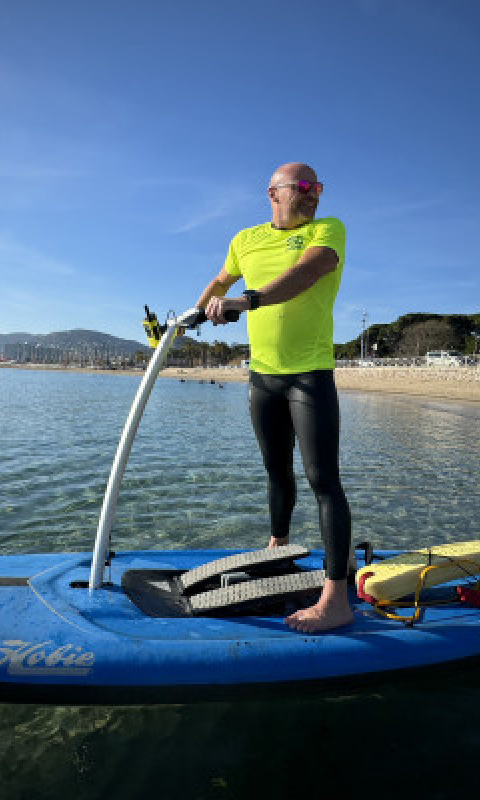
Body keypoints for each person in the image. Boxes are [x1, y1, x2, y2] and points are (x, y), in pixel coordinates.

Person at [197, 162, 353, 633]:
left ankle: (336, 599)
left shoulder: (327, 230)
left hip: (310, 374)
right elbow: (220, 282)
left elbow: (309, 272)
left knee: (323, 480)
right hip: (262, 377)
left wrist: (248, 301)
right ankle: (277, 549)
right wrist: (196, 310)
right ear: (273, 193)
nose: (313, 195)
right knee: (275, 470)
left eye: (318, 187)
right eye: (303, 188)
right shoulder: (245, 239)